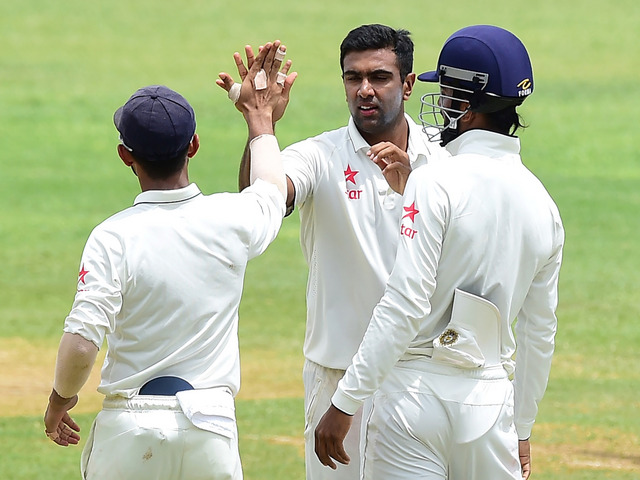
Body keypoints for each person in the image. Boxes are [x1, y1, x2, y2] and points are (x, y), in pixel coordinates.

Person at [315, 25, 564, 480]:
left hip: (414, 399)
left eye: (446, 91)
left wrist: (345, 401)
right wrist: (522, 428)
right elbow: (538, 332)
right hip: (491, 406)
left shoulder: (434, 180)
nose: (440, 102)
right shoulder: (544, 205)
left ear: (464, 104)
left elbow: (405, 303)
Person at [43, 41, 294, 480]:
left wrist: (59, 401)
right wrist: (261, 119)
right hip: (211, 430)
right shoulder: (232, 219)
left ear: (126, 155)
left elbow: (84, 341)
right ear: (193, 145)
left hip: (130, 430)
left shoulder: (112, 237)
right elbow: (271, 188)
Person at [217, 24, 448, 480]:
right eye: (352, 77)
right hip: (338, 377)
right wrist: (260, 128)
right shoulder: (320, 155)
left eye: (379, 77)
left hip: (423, 373)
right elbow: (260, 199)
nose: (364, 89)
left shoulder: (443, 156)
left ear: (407, 83)